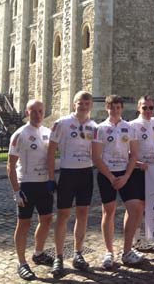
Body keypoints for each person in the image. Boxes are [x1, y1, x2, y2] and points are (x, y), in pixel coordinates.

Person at [92, 95, 146, 269]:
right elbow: (96, 157)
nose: (115, 110)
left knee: (135, 208)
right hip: (106, 174)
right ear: (107, 108)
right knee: (109, 211)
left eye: (118, 107)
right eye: (112, 107)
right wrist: (110, 177)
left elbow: (134, 155)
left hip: (125, 173)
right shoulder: (100, 128)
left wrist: (126, 177)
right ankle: (109, 252)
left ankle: (127, 251)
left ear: (122, 108)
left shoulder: (129, 128)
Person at [47, 91, 97, 277]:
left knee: (83, 214)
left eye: (86, 103)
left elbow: (97, 153)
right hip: (68, 173)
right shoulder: (62, 123)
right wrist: (51, 178)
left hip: (86, 173)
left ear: (90, 105)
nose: (83, 106)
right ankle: (59, 257)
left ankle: (78, 253)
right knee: (63, 215)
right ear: (74, 104)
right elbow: (51, 152)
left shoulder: (94, 126)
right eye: (80, 103)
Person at [7, 100, 54, 280]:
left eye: (40, 111)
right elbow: (10, 165)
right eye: (33, 111)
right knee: (24, 224)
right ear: (27, 113)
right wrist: (16, 191)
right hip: (26, 184)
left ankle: (38, 253)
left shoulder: (47, 132)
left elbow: (51, 157)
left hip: (44, 184)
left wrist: (51, 179)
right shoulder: (19, 134)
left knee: (47, 220)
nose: (37, 114)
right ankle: (21, 262)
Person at [129, 95, 154, 251]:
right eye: (144, 107)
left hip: (151, 171)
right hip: (135, 171)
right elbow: (125, 153)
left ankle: (146, 238)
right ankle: (134, 239)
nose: (148, 110)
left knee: (149, 206)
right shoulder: (132, 125)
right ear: (138, 108)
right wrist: (137, 164)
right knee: (135, 208)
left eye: (151, 107)